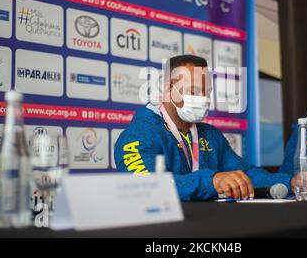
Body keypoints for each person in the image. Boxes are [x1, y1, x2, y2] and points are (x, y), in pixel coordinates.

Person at [114, 55, 296, 201]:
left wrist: (291, 182)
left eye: (206, 93)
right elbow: (148, 187)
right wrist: (213, 180)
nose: (202, 99)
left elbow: (245, 174)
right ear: (168, 90)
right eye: (193, 91)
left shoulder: (211, 135)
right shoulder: (138, 135)